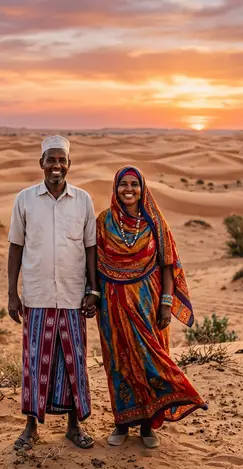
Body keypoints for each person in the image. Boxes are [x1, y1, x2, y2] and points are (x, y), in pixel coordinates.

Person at [96, 166, 208, 448]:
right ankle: (122, 423)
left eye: (134, 184)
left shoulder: (155, 223)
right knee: (118, 362)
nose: (129, 189)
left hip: (149, 303)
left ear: (142, 188)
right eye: (123, 184)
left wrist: (167, 304)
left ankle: (148, 426)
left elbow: (168, 264)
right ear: (115, 188)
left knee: (150, 361)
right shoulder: (103, 221)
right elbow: (94, 262)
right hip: (113, 305)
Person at [7, 135, 99, 450]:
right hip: (36, 296)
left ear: (69, 164)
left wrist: (94, 290)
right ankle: (31, 428)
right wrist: (11, 293)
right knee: (35, 363)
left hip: (73, 297)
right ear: (42, 164)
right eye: (51, 160)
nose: (56, 166)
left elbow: (91, 249)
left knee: (74, 362)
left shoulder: (84, 200)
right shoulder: (25, 199)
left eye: (62, 160)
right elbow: (15, 246)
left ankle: (74, 427)